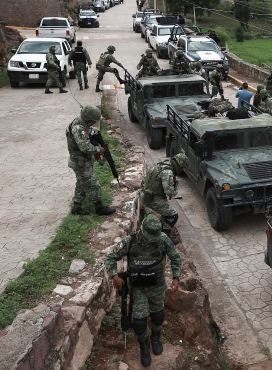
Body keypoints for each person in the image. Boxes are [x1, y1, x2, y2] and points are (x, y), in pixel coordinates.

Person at [106, 212, 182, 367]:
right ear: (142, 231)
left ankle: (156, 338)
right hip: (138, 288)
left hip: (157, 286)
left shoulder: (163, 240)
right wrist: (114, 276)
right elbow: (111, 257)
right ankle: (145, 347)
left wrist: (176, 277)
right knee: (139, 323)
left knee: (158, 315)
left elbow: (176, 257)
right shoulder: (130, 241)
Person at [66, 105, 116, 216]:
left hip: (81, 161)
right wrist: (99, 149)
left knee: (82, 185)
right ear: (88, 119)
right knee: (94, 185)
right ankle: (99, 208)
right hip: (80, 163)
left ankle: (76, 208)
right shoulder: (79, 129)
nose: (93, 123)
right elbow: (84, 147)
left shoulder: (81, 125)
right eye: (93, 121)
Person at [140, 153, 189, 244]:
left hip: (147, 194)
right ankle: (164, 237)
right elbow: (169, 192)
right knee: (173, 215)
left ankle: (160, 231)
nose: (181, 170)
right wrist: (175, 190)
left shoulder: (163, 164)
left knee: (166, 212)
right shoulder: (168, 172)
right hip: (151, 198)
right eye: (181, 167)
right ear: (179, 165)